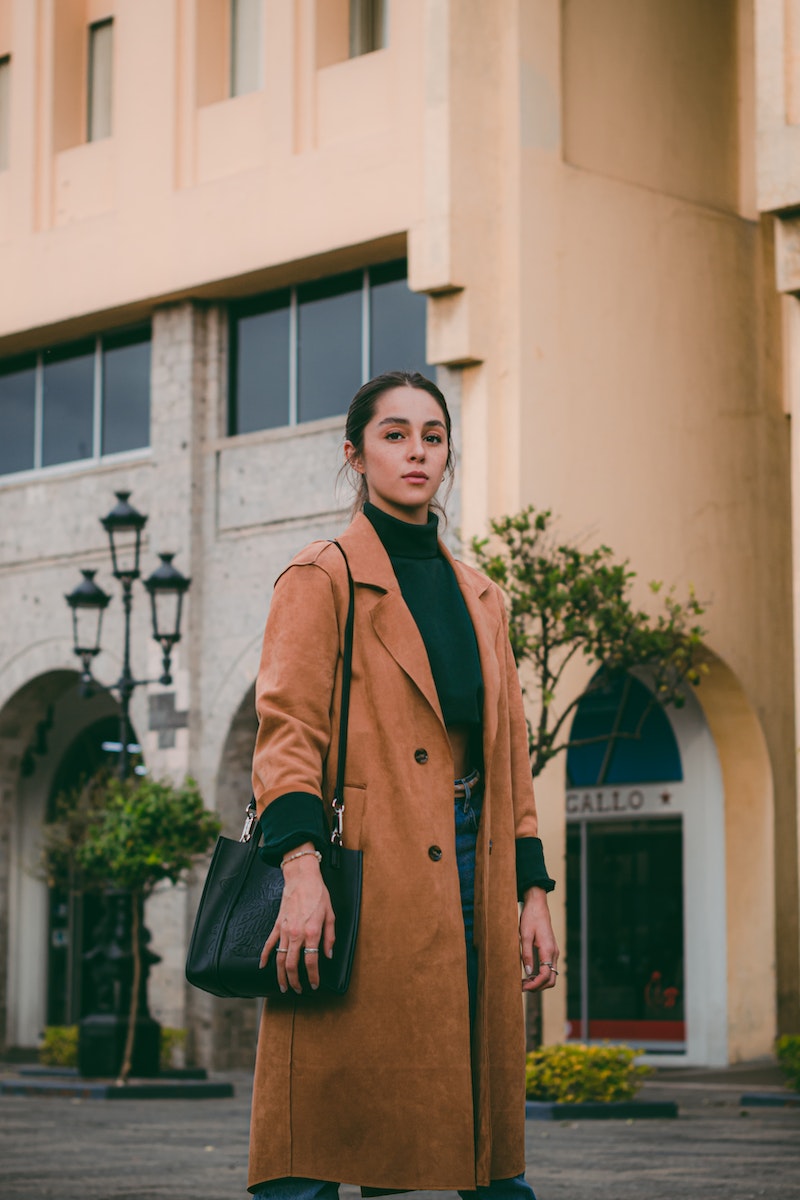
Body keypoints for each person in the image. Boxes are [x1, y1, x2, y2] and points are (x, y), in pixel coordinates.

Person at [248, 370, 558, 1199]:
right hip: (361, 867)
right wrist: (301, 868)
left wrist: (531, 889)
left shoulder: (482, 597)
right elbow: (286, 735)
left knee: (475, 1124)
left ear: (448, 456)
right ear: (355, 454)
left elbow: (511, 754)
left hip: (472, 861)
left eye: (432, 435)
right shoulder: (323, 575)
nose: (416, 451)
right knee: (329, 1109)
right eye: (394, 434)